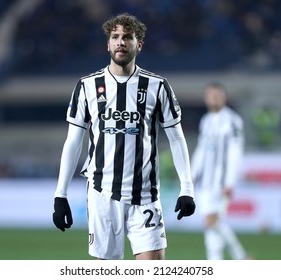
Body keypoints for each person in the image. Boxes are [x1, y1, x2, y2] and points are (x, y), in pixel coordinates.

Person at [52, 13, 196, 260]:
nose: (121, 42)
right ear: (107, 44)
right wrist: (60, 194)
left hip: (146, 195)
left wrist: (187, 188)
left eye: (127, 37)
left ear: (138, 44)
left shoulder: (157, 86)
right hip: (102, 193)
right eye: (115, 37)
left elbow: (176, 138)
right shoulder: (86, 86)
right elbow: (73, 141)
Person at [190, 82, 248, 260]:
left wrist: (230, 182)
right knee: (211, 228)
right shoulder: (206, 120)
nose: (213, 98)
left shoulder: (232, 121)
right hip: (204, 182)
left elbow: (235, 152)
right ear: (206, 98)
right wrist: (191, 176)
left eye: (217, 95)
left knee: (211, 220)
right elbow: (201, 150)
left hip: (221, 182)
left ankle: (241, 257)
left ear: (224, 97)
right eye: (210, 95)